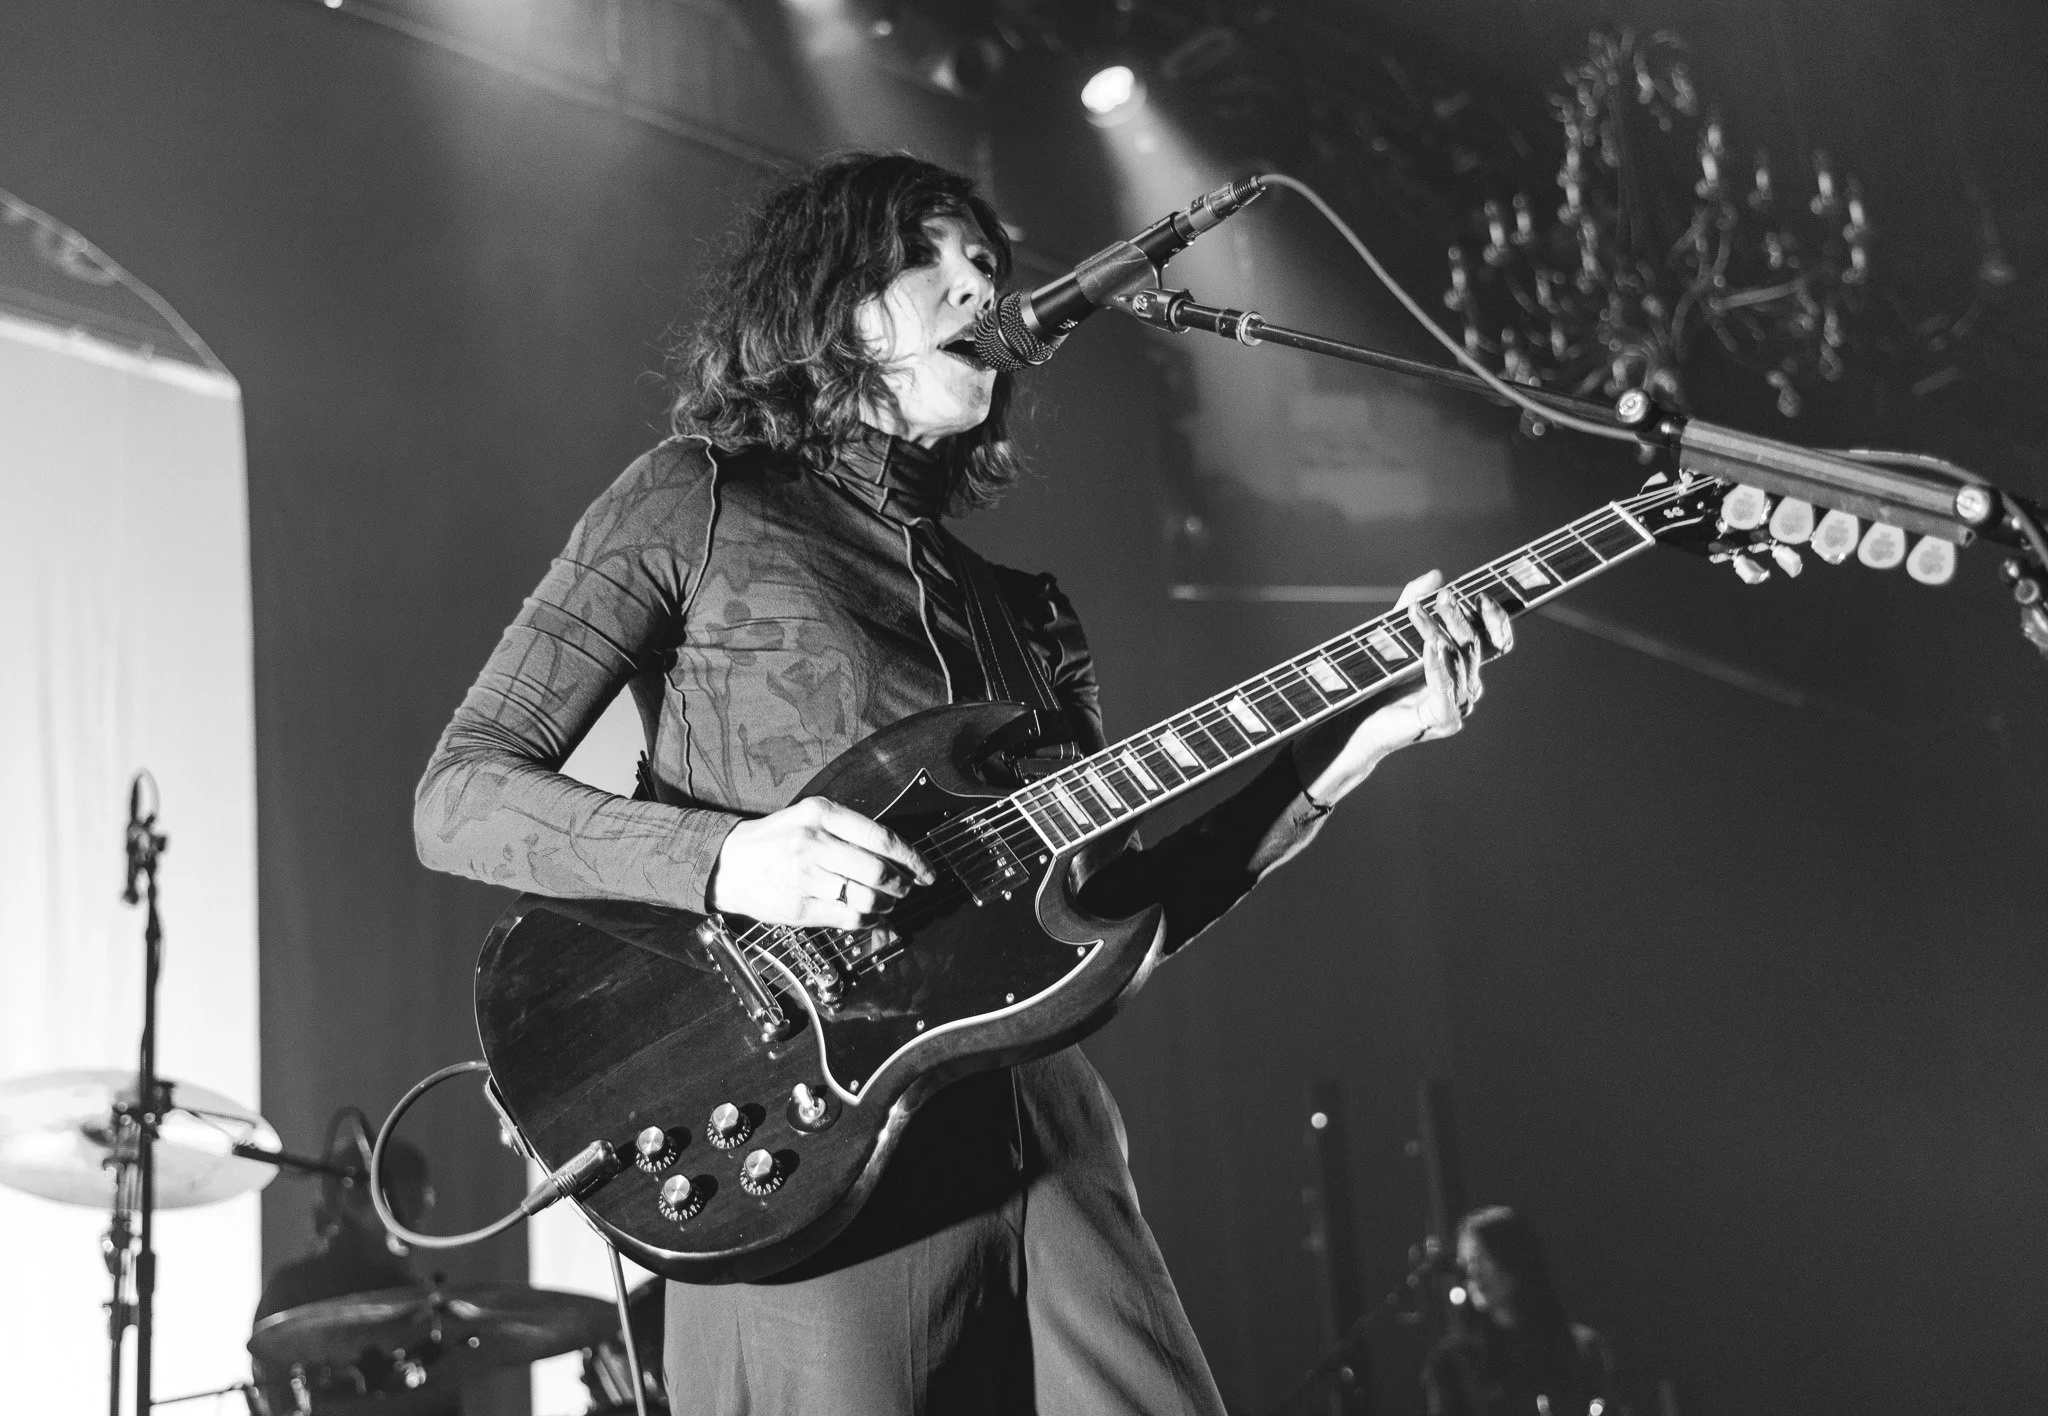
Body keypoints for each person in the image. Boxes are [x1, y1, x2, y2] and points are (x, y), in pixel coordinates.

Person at [414, 151, 1511, 1415]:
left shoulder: (1027, 616)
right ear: (829, 307)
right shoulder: (695, 499)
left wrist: (1354, 741)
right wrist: (729, 859)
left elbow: (1120, 913)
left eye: (985, 261)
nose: (979, 283)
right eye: (924, 259)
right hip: (806, 1129)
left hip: (1039, 1124)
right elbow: (461, 793)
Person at [250, 1115, 455, 1415]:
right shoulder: (293, 1289)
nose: (417, 1219)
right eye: (410, 1200)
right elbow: (274, 1398)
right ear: (354, 1199)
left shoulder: (415, 1299)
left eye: (422, 1201)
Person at [1425, 1206, 1619, 1416]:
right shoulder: (1453, 1363)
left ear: (1514, 1259)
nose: (1473, 1273)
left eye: (1483, 1257)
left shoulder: (1582, 1349)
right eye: (1467, 1262)